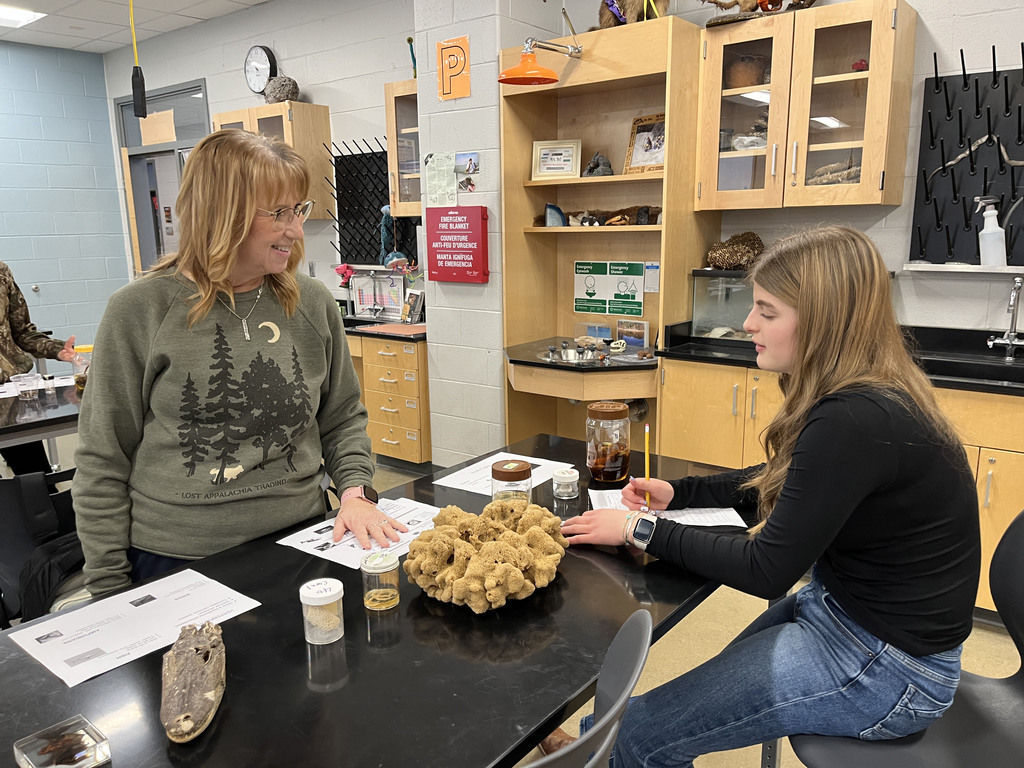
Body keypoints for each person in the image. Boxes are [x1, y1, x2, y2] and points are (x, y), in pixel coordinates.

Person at [559, 226, 981, 767]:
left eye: (767, 311)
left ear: (822, 320)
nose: (747, 324)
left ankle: (607, 751)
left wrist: (639, 528)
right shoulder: (869, 394)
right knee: (667, 710)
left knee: (644, 732)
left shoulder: (855, 417)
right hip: (848, 616)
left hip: (888, 667)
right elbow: (788, 481)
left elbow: (766, 569)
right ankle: (596, 753)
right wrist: (678, 493)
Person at [74, 129, 407, 598]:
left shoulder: (312, 304)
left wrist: (355, 491)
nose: (295, 229)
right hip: (177, 560)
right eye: (278, 214)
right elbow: (102, 457)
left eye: (299, 209)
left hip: (303, 542)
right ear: (222, 216)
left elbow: (342, 418)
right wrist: (107, 588)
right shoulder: (141, 309)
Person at [0, 260, 76, 474]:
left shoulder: (1, 272)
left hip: (9, 395)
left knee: (36, 479)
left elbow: (22, 331)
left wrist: (56, 349)